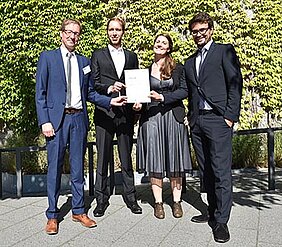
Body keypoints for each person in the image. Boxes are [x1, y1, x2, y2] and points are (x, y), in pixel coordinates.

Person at [35, 19, 126, 235]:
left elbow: (91, 93)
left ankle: (78, 210)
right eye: (68, 32)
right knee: (55, 169)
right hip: (56, 122)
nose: (72, 36)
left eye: (76, 33)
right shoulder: (47, 57)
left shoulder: (83, 62)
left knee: (78, 169)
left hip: (78, 120)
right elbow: (40, 93)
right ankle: (52, 215)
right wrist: (45, 121)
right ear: (61, 34)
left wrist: (109, 101)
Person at [184, 12, 243, 243]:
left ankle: (221, 221)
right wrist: (191, 117)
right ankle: (211, 210)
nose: (198, 34)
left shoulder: (223, 51)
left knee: (221, 171)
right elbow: (190, 92)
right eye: (195, 31)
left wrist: (230, 116)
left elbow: (235, 83)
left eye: (202, 30)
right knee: (206, 170)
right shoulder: (190, 62)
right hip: (198, 123)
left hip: (219, 120)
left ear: (210, 30)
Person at [134, 34, 192, 219]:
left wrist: (163, 97)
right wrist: (138, 104)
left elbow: (184, 91)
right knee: (155, 160)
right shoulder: (144, 71)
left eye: (164, 43)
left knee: (175, 160)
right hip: (151, 118)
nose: (160, 44)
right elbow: (141, 95)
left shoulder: (178, 68)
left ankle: (176, 202)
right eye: (157, 42)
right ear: (154, 46)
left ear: (168, 48)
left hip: (173, 117)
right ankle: (158, 203)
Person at [90, 17, 142, 217]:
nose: (114, 33)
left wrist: (138, 101)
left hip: (125, 114)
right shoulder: (97, 55)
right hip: (104, 112)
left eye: (117, 29)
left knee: (126, 158)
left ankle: (131, 198)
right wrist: (109, 88)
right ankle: (101, 200)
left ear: (123, 32)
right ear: (107, 32)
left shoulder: (131, 56)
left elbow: (136, 82)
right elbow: (94, 83)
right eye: (111, 29)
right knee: (102, 158)